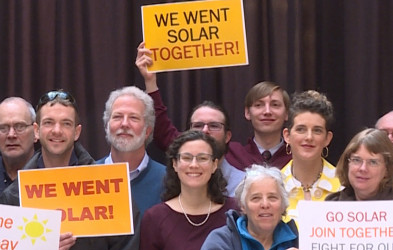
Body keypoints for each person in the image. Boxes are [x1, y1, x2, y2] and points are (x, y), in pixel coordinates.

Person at [0, 89, 139, 250]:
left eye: (66, 124)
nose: (57, 131)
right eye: (48, 123)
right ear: (36, 131)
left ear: (77, 132)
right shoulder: (14, 195)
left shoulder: (108, 187)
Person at [136, 42, 291, 171]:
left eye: (275, 105)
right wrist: (150, 83)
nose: (267, 111)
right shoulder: (229, 152)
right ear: (247, 112)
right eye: (259, 105)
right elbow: (165, 135)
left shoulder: (300, 154)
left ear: (287, 114)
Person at [134, 43, 243, 195]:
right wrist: (150, 82)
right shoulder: (171, 183)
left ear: (228, 136)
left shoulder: (243, 184)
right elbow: (162, 130)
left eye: (214, 125)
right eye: (198, 126)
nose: (205, 131)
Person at [97, 86, 167, 213]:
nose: (124, 124)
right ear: (107, 126)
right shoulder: (85, 178)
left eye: (133, 118)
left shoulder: (168, 180)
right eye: (117, 116)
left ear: (148, 131)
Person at [280, 90, 341, 222]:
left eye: (317, 130)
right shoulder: (273, 186)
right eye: (301, 129)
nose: (309, 137)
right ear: (287, 136)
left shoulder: (344, 186)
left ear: (327, 139)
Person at [0, 97, 37, 196]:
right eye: (3, 128)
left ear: (36, 132)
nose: (11, 135)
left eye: (20, 127)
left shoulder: (49, 175)